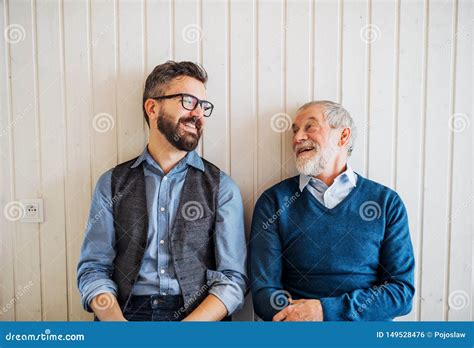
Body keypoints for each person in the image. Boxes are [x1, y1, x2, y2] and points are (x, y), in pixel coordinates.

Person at [77, 61, 248, 321]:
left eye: (203, 106)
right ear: (152, 107)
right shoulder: (110, 183)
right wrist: (116, 326)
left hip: (199, 317)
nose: (198, 114)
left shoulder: (222, 187)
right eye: (188, 101)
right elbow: (93, 268)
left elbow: (233, 279)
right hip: (125, 313)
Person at [250, 100, 415, 321]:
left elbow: (401, 293)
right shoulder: (274, 201)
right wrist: (300, 317)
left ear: (343, 137)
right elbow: (264, 294)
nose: (298, 138)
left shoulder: (386, 202)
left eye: (310, 126)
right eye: (295, 130)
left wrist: (324, 311)